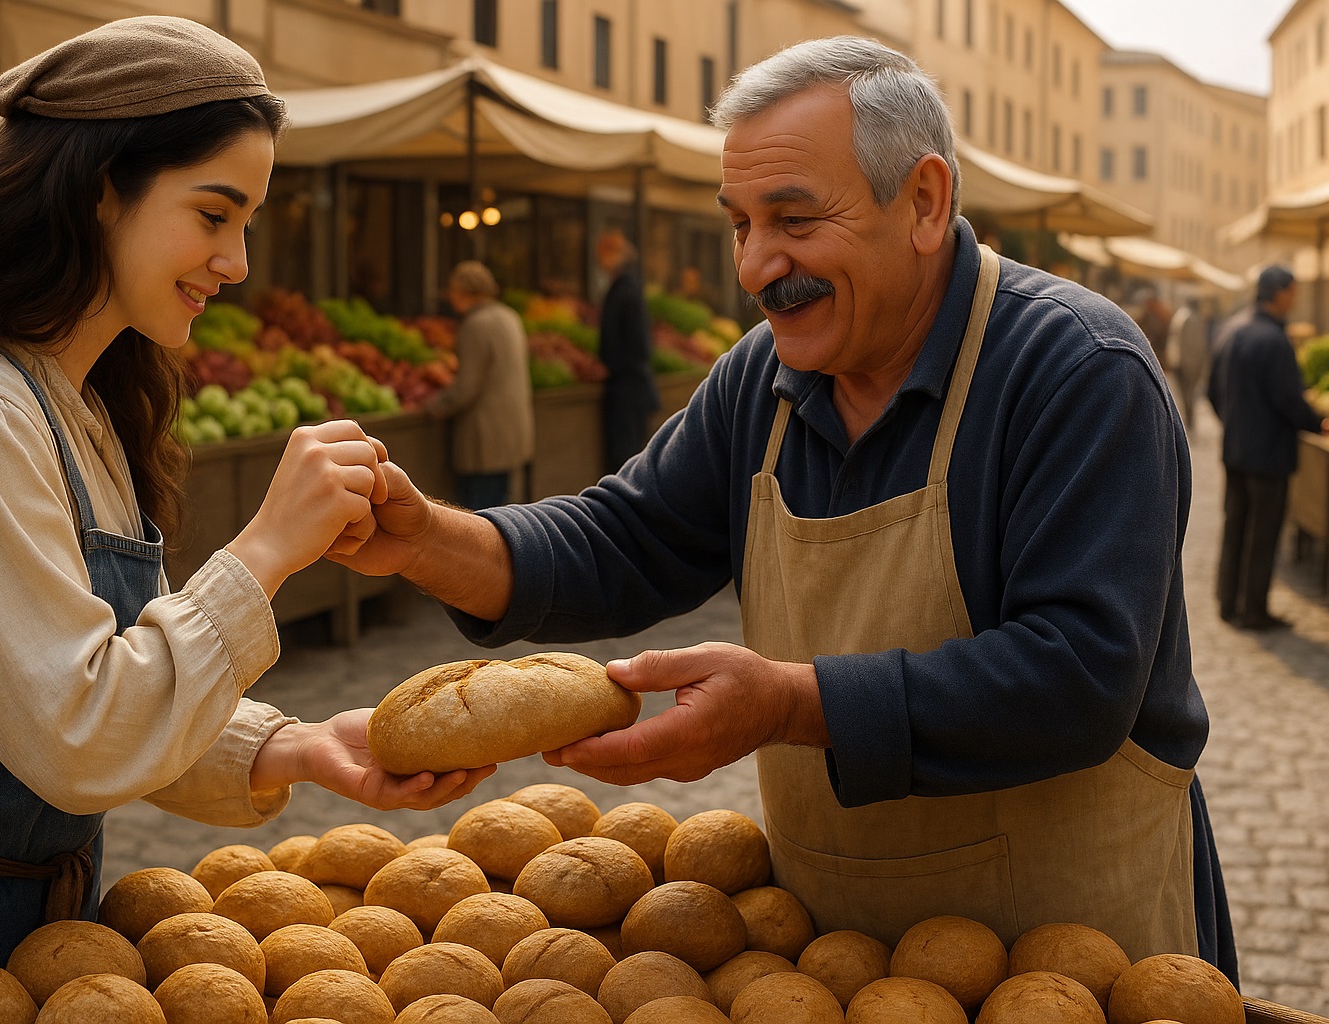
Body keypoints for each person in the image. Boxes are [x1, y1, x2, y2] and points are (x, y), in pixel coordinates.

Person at [334, 35, 1237, 981]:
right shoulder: (761, 380)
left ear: (924, 202)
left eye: (795, 220)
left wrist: (788, 705)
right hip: (841, 968)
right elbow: (626, 537)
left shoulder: (1078, 372)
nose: (757, 266)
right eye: (739, 224)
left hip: (1080, 964)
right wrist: (429, 539)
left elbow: (1080, 676)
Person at [0, 18, 488, 1014]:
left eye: (248, 222)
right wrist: (268, 546)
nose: (234, 261)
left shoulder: (83, 407)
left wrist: (292, 746)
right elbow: (81, 732)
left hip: (39, 921)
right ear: (102, 188)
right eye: (213, 213)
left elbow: (106, 682)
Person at [1207, 265, 1329, 631]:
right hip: (1269, 455)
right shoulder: (1274, 340)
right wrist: (1318, 423)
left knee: (1235, 525)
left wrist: (1234, 425)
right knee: (1262, 533)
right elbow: (1289, 400)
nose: (1296, 297)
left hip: (1236, 448)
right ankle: (1253, 609)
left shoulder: (1232, 328)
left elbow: (1213, 391)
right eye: (1293, 290)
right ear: (1278, 293)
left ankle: (1227, 601)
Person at [425, 261, 534, 510]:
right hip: (510, 434)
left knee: (478, 514)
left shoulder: (475, 325)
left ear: (464, 291)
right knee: (500, 507)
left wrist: (435, 406)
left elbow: (466, 388)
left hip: (484, 440)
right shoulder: (509, 316)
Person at [596, 230, 661, 474]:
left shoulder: (626, 289)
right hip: (627, 385)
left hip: (628, 388)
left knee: (626, 458)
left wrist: (611, 366)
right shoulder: (622, 287)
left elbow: (638, 344)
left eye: (605, 251)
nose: (599, 258)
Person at [1167, 297, 1211, 431]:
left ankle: (1187, 423)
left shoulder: (1181, 316)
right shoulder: (1193, 318)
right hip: (1189, 362)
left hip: (1181, 361)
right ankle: (1188, 423)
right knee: (1187, 395)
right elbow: (1197, 344)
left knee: (1184, 395)